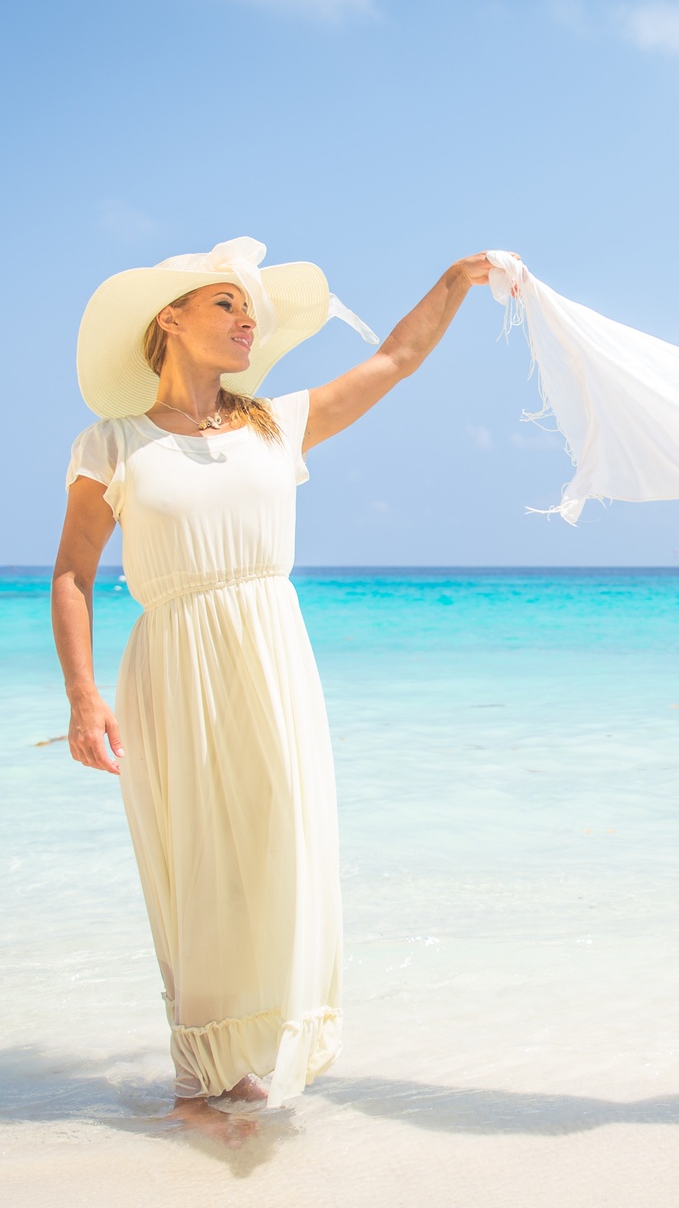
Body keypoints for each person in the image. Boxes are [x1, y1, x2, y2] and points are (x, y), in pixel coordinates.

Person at [51, 238, 498, 1141]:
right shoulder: (113, 443)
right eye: (226, 303)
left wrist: (456, 281)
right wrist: (83, 696)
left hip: (273, 656)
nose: (246, 318)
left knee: (277, 852)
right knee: (197, 861)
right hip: (172, 661)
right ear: (167, 320)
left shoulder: (275, 423)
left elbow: (394, 360)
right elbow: (72, 573)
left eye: (249, 307)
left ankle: (245, 1065)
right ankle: (195, 1080)